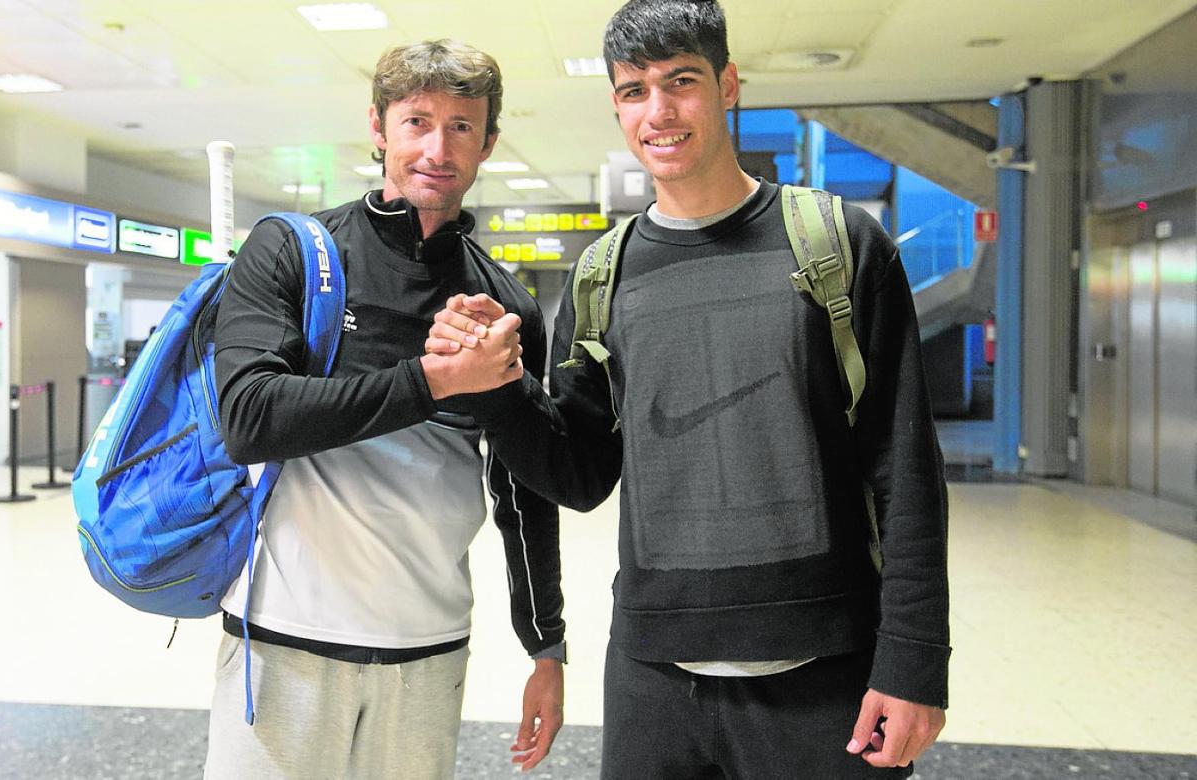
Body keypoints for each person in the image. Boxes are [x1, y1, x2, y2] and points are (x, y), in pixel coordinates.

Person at [424, 1, 950, 777]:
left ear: (728, 84)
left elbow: (903, 470)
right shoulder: (606, 275)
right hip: (653, 679)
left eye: (682, 82)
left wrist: (913, 665)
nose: (658, 112)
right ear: (615, 103)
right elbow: (580, 474)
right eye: (634, 90)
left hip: (825, 674)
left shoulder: (839, 245)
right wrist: (495, 390)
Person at [203, 39, 566, 779]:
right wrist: (433, 381)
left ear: (489, 141)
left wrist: (547, 646)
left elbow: (522, 492)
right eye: (417, 122)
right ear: (379, 127)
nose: (438, 147)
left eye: (462, 127)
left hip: (428, 651)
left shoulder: (508, 305)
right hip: (283, 641)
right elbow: (248, 417)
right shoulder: (294, 252)